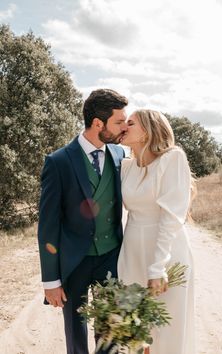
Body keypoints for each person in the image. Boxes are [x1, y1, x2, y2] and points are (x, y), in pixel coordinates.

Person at [37, 88, 128, 354]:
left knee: (110, 330)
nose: (125, 127)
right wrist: (50, 280)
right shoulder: (58, 161)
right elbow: (48, 225)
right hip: (75, 259)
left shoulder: (120, 155)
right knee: (76, 331)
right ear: (98, 124)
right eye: (119, 121)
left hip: (110, 255)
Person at [118, 109, 195, 354]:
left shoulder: (173, 158)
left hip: (166, 256)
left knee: (167, 332)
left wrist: (157, 266)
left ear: (147, 132)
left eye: (130, 123)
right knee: (133, 332)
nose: (124, 126)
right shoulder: (126, 166)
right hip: (132, 255)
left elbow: (171, 217)